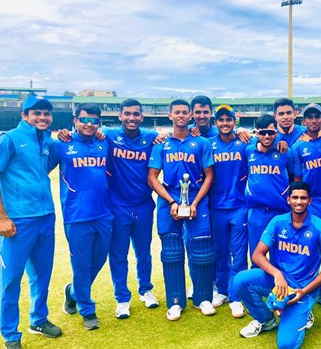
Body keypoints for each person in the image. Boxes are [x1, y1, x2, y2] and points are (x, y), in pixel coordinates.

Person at [0, 95, 62, 349]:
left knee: (41, 275)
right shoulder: (9, 139)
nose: (43, 117)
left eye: (46, 113)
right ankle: (10, 336)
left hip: (45, 217)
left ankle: (38, 320)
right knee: (10, 280)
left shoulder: (47, 140)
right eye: (37, 113)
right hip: (18, 222)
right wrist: (2, 217)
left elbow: (41, 171)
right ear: (25, 115)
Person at [233, 181, 321, 349]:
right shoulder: (277, 222)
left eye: (303, 198)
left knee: (287, 346)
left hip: (302, 288)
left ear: (310, 201)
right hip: (278, 282)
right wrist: (277, 274)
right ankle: (266, 321)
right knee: (241, 281)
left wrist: (304, 291)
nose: (299, 202)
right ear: (288, 200)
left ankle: (303, 311)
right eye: (295, 197)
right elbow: (257, 255)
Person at [148, 99, 216, 320]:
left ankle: (203, 298)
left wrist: (195, 203)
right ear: (170, 115)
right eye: (176, 112)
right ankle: (175, 302)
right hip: (169, 201)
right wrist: (171, 202)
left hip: (197, 201)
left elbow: (209, 176)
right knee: (172, 252)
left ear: (190, 116)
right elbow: (152, 178)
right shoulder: (161, 144)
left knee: (202, 249)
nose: (180, 116)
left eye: (184, 112)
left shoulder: (201, 143)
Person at [50, 103, 112, 331]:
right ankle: (87, 309)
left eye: (94, 121)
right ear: (75, 120)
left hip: (103, 214)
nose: (89, 124)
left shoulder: (103, 143)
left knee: (99, 260)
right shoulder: (61, 145)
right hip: (76, 216)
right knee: (81, 265)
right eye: (84, 119)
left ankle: (73, 292)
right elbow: (39, 170)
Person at [105, 99, 159, 319]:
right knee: (118, 254)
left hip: (143, 205)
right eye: (127, 114)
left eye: (136, 114)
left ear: (142, 117)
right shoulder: (108, 135)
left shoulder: (151, 138)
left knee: (143, 252)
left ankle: (146, 290)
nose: (131, 118)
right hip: (117, 206)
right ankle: (122, 298)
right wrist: (65, 134)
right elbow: (82, 133)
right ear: (120, 116)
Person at [293, 103, 321, 311]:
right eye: (309, 117)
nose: (313, 120)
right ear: (303, 121)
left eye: (317, 117)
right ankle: (306, 291)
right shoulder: (298, 147)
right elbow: (298, 179)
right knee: (309, 249)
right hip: (311, 203)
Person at [208, 104, 249, 318]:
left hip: (239, 207)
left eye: (229, 119)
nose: (225, 123)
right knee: (220, 252)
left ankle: (236, 296)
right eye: (221, 120)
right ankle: (222, 291)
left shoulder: (244, 144)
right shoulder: (208, 145)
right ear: (215, 123)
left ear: (235, 122)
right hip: (216, 208)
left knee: (239, 254)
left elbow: (265, 144)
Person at [245, 114, 295, 258]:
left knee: (280, 256)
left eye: (271, 132)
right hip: (257, 211)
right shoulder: (248, 151)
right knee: (256, 255)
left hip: (280, 211)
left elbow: (294, 176)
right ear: (256, 133)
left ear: (276, 133)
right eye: (263, 132)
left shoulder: (285, 152)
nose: (267, 136)